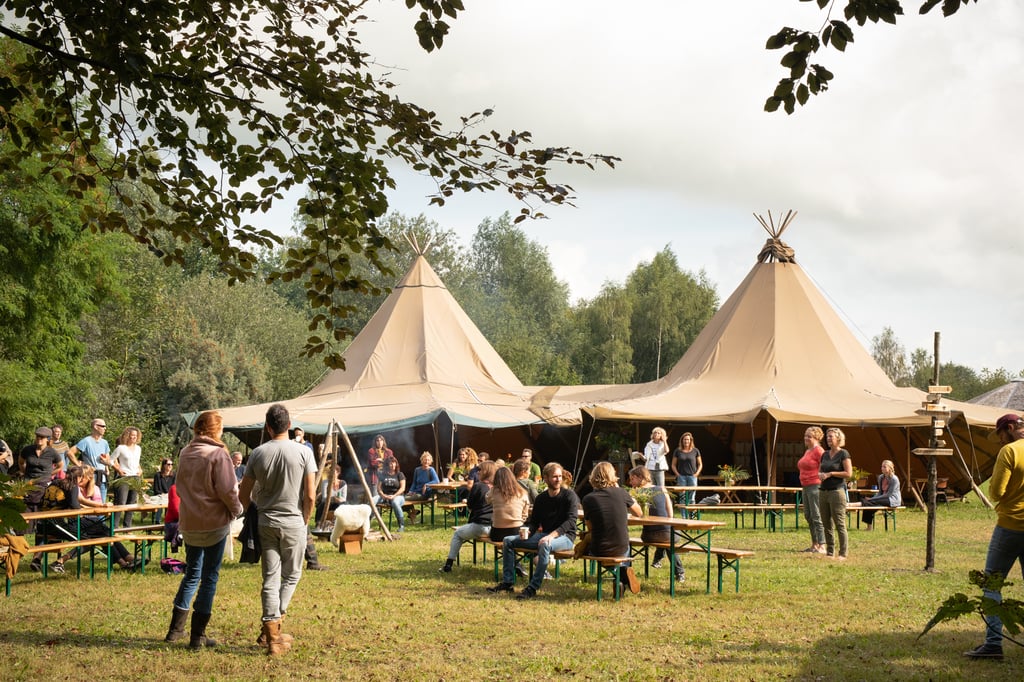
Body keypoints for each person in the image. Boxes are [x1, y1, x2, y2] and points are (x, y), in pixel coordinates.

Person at [239, 403, 317, 657]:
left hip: (266, 522)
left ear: (268, 426)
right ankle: (274, 630)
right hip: (294, 522)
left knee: (270, 577)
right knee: (291, 575)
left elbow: (244, 493)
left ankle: (271, 631)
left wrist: (250, 509)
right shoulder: (304, 452)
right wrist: (305, 519)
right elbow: (311, 495)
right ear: (289, 424)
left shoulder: (258, 453)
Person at [165, 410, 243, 650]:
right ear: (215, 430)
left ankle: (175, 630)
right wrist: (237, 509)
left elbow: (180, 487)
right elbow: (228, 490)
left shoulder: (185, 453)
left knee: (192, 573)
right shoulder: (218, 454)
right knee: (209, 577)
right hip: (214, 523)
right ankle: (197, 636)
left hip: (190, 523)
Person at [963, 413, 1024, 660]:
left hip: (1010, 527)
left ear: (1009, 429)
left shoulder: (1009, 452)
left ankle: (993, 644)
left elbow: (997, 492)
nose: (999, 440)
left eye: (999, 435)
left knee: (992, 585)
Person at [488, 462, 579, 601]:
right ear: (546, 478)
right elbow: (535, 522)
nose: (558, 479)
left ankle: (532, 587)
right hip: (544, 535)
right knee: (508, 541)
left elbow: (571, 521)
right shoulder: (541, 498)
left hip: (565, 537)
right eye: (555, 476)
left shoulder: (569, 496)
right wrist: (528, 531)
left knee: (545, 544)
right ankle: (508, 582)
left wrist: (551, 536)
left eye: (560, 476)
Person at [584, 462, 643, 594]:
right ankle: (622, 574)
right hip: (621, 546)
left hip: (599, 548)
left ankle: (620, 577)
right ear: (613, 476)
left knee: (587, 542)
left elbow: (590, 527)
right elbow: (639, 513)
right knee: (624, 547)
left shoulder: (588, 499)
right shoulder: (621, 493)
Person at [628, 465, 684, 584]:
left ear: (639, 477)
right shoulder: (662, 488)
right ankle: (679, 572)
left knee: (666, 541)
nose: (630, 482)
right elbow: (670, 512)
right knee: (670, 539)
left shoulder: (636, 493)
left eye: (632, 479)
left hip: (649, 535)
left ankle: (660, 560)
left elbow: (636, 513)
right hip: (668, 534)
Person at [440, 460, 496, 572]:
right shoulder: (498, 487)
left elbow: (470, 505)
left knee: (457, 534)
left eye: (479, 470)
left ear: (485, 472)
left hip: (480, 526)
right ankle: (518, 566)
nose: (477, 473)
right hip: (496, 527)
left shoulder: (478, 486)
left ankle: (448, 565)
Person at [818, 427, 852, 560]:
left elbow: (848, 474)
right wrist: (820, 475)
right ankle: (830, 551)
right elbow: (821, 469)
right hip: (823, 491)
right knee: (826, 522)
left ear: (838, 438)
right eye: (827, 437)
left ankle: (843, 553)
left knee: (839, 523)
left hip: (836, 492)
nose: (828, 439)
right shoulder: (825, 454)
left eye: (831, 436)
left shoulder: (843, 453)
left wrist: (831, 473)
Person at [67, 418, 112, 503]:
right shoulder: (86, 441)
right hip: (90, 476)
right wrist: (80, 466)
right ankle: (88, 516)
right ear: (95, 427)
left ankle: (101, 516)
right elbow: (70, 452)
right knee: (90, 501)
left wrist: (107, 467)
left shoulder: (104, 442)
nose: (105, 428)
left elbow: (108, 458)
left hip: (103, 476)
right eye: (103, 426)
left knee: (101, 502)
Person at [797, 426, 827, 554]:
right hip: (805, 485)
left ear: (816, 438)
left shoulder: (819, 451)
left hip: (815, 485)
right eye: (805, 435)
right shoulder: (808, 451)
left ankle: (822, 545)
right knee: (808, 515)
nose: (806, 438)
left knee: (816, 515)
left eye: (809, 436)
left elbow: (825, 467)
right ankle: (814, 544)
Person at [18, 427, 62, 511]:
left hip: (43, 484)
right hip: (28, 483)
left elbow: (60, 466)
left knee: (38, 506)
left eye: (42, 437)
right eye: (37, 436)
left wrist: (49, 474)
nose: (39, 438)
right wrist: (25, 473)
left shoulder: (52, 452)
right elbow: (20, 462)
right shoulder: (27, 450)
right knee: (26, 506)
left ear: (48, 439)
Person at [487, 465, 530, 543]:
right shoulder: (522, 492)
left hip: (497, 533)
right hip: (517, 530)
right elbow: (525, 513)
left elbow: (487, 499)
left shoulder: (493, 492)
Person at [110, 426, 143, 528]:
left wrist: (140, 470)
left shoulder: (138, 448)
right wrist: (118, 470)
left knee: (132, 502)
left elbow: (136, 462)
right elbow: (110, 460)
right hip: (124, 478)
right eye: (132, 435)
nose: (133, 437)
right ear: (127, 436)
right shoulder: (121, 448)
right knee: (121, 502)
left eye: (135, 436)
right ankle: (114, 526)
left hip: (135, 477)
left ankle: (127, 526)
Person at [857, 460, 901, 530]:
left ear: (889, 468)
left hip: (892, 500)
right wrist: (872, 498)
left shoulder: (894, 479)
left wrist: (872, 499)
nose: (882, 468)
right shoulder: (881, 477)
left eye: (884, 467)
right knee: (868, 504)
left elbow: (888, 495)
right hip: (882, 498)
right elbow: (880, 492)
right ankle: (869, 527)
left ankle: (852, 505)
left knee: (870, 501)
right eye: (881, 466)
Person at [670, 432, 702, 504]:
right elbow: (673, 465)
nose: (686, 441)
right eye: (684, 439)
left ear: (691, 440)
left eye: (688, 439)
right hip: (681, 477)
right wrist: (678, 474)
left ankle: (691, 515)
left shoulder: (695, 451)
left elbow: (700, 464)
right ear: (682, 441)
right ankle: (684, 515)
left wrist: (697, 474)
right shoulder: (677, 451)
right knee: (682, 497)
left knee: (692, 497)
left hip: (692, 476)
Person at [377, 456, 407, 532]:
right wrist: (383, 495)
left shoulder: (400, 474)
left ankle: (401, 525)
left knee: (395, 502)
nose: (393, 465)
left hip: (398, 496)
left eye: (394, 463)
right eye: (391, 463)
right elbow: (379, 488)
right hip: (384, 496)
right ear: (387, 465)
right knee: (371, 501)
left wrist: (394, 495)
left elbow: (402, 488)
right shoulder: (383, 474)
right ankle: (367, 523)